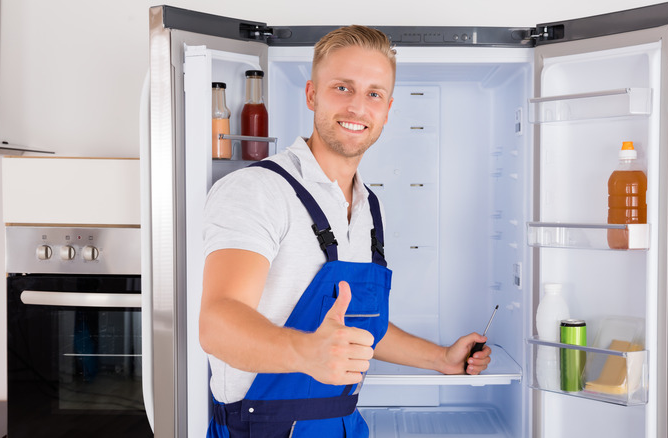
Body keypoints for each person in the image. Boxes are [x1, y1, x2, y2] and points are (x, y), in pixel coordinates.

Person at [200, 25, 492, 438]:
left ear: (388, 110)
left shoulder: (371, 207)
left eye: (374, 94)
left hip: (344, 425)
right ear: (311, 95)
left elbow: (357, 327)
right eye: (342, 87)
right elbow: (217, 324)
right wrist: (306, 353)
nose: (358, 107)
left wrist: (442, 358)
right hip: (262, 428)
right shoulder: (258, 189)